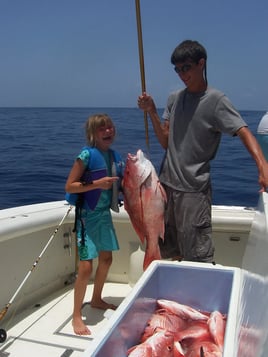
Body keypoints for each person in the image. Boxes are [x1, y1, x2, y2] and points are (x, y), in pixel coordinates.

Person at [138, 40, 268, 263]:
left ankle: (198, 295)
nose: (181, 74)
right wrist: (151, 111)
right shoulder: (174, 99)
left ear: (201, 64)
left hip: (194, 193)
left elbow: (244, 132)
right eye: (177, 69)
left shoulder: (216, 100)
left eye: (186, 67)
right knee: (170, 251)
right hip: (166, 188)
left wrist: (263, 166)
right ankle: (175, 294)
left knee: (198, 256)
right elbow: (165, 143)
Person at [65, 113, 124, 335]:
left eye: (110, 127)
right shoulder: (86, 155)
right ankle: (76, 315)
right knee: (86, 266)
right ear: (93, 134)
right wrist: (96, 184)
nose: (108, 131)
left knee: (107, 259)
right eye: (102, 129)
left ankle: (97, 299)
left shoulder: (116, 157)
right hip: (85, 218)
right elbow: (70, 186)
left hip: (103, 216)